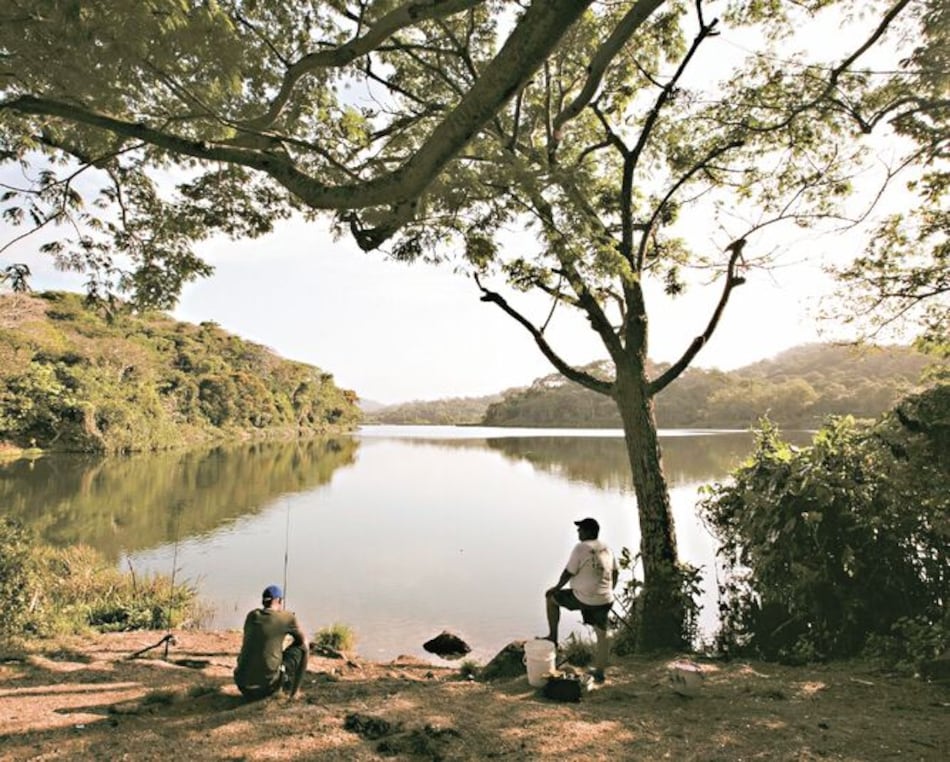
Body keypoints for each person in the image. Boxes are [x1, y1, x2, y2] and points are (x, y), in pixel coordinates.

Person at [544, 517, 619, 683]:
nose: (578, 532)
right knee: (602, 633)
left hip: (583, 598)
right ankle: (600, 671)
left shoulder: (581, 548)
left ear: (589, 532)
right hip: (606, 599)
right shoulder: (607, 548)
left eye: (581, 529)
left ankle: (553, 637)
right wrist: (608, 590)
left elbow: (568, 572)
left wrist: (556, 588)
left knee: (551, 598)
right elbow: (615, 573)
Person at [234, 584, 309, 700]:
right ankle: (295, 693)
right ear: (278, 601)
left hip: (243, 686)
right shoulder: (286, 617)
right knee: (305, 647)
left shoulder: (252, 615)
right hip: (266, 689)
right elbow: (301, 640)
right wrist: (290, 622)